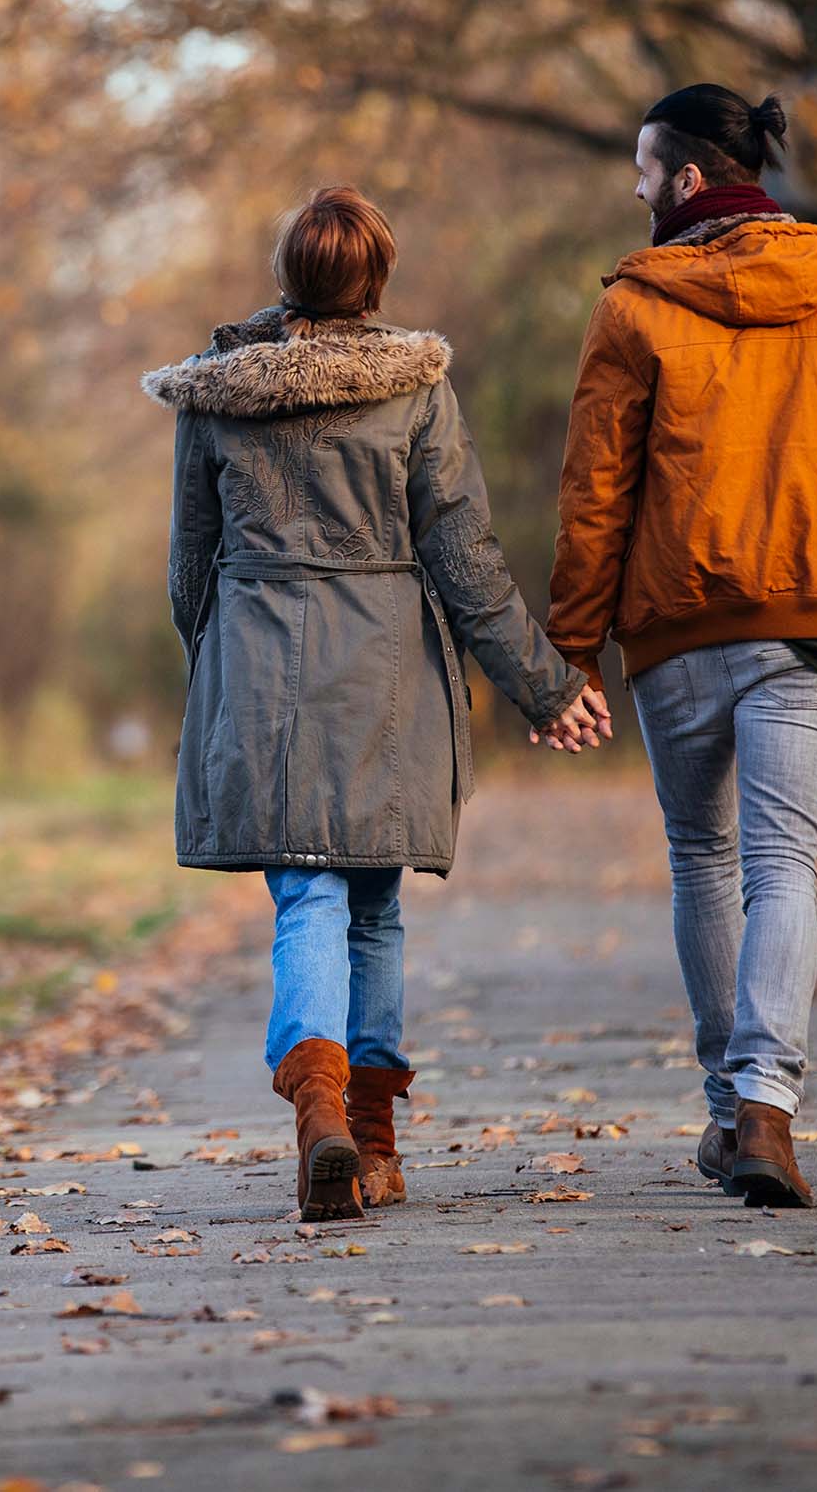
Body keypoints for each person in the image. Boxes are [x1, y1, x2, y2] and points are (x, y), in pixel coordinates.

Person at [147, 185, 611, 1222]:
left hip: (261, 677)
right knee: (375, 907)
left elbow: (190, 567)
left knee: (304, 896)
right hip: (386, 678)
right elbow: (464, 558)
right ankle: (376, 1137)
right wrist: (546, 682)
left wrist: (218, 671)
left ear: (286, 278)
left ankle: (317, 1111)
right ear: (378, 283)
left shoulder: (218, 396)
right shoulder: (417, 392)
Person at [549, 83, 817, 1209]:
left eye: (642, 170)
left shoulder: (634, 307)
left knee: (703, 856)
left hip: (677, 625)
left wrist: (573, 650)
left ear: (684, 180)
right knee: (785, 864)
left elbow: (594, 496)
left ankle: (730, 1113)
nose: (634, 190)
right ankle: (768, 1105)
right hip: (816, 616)